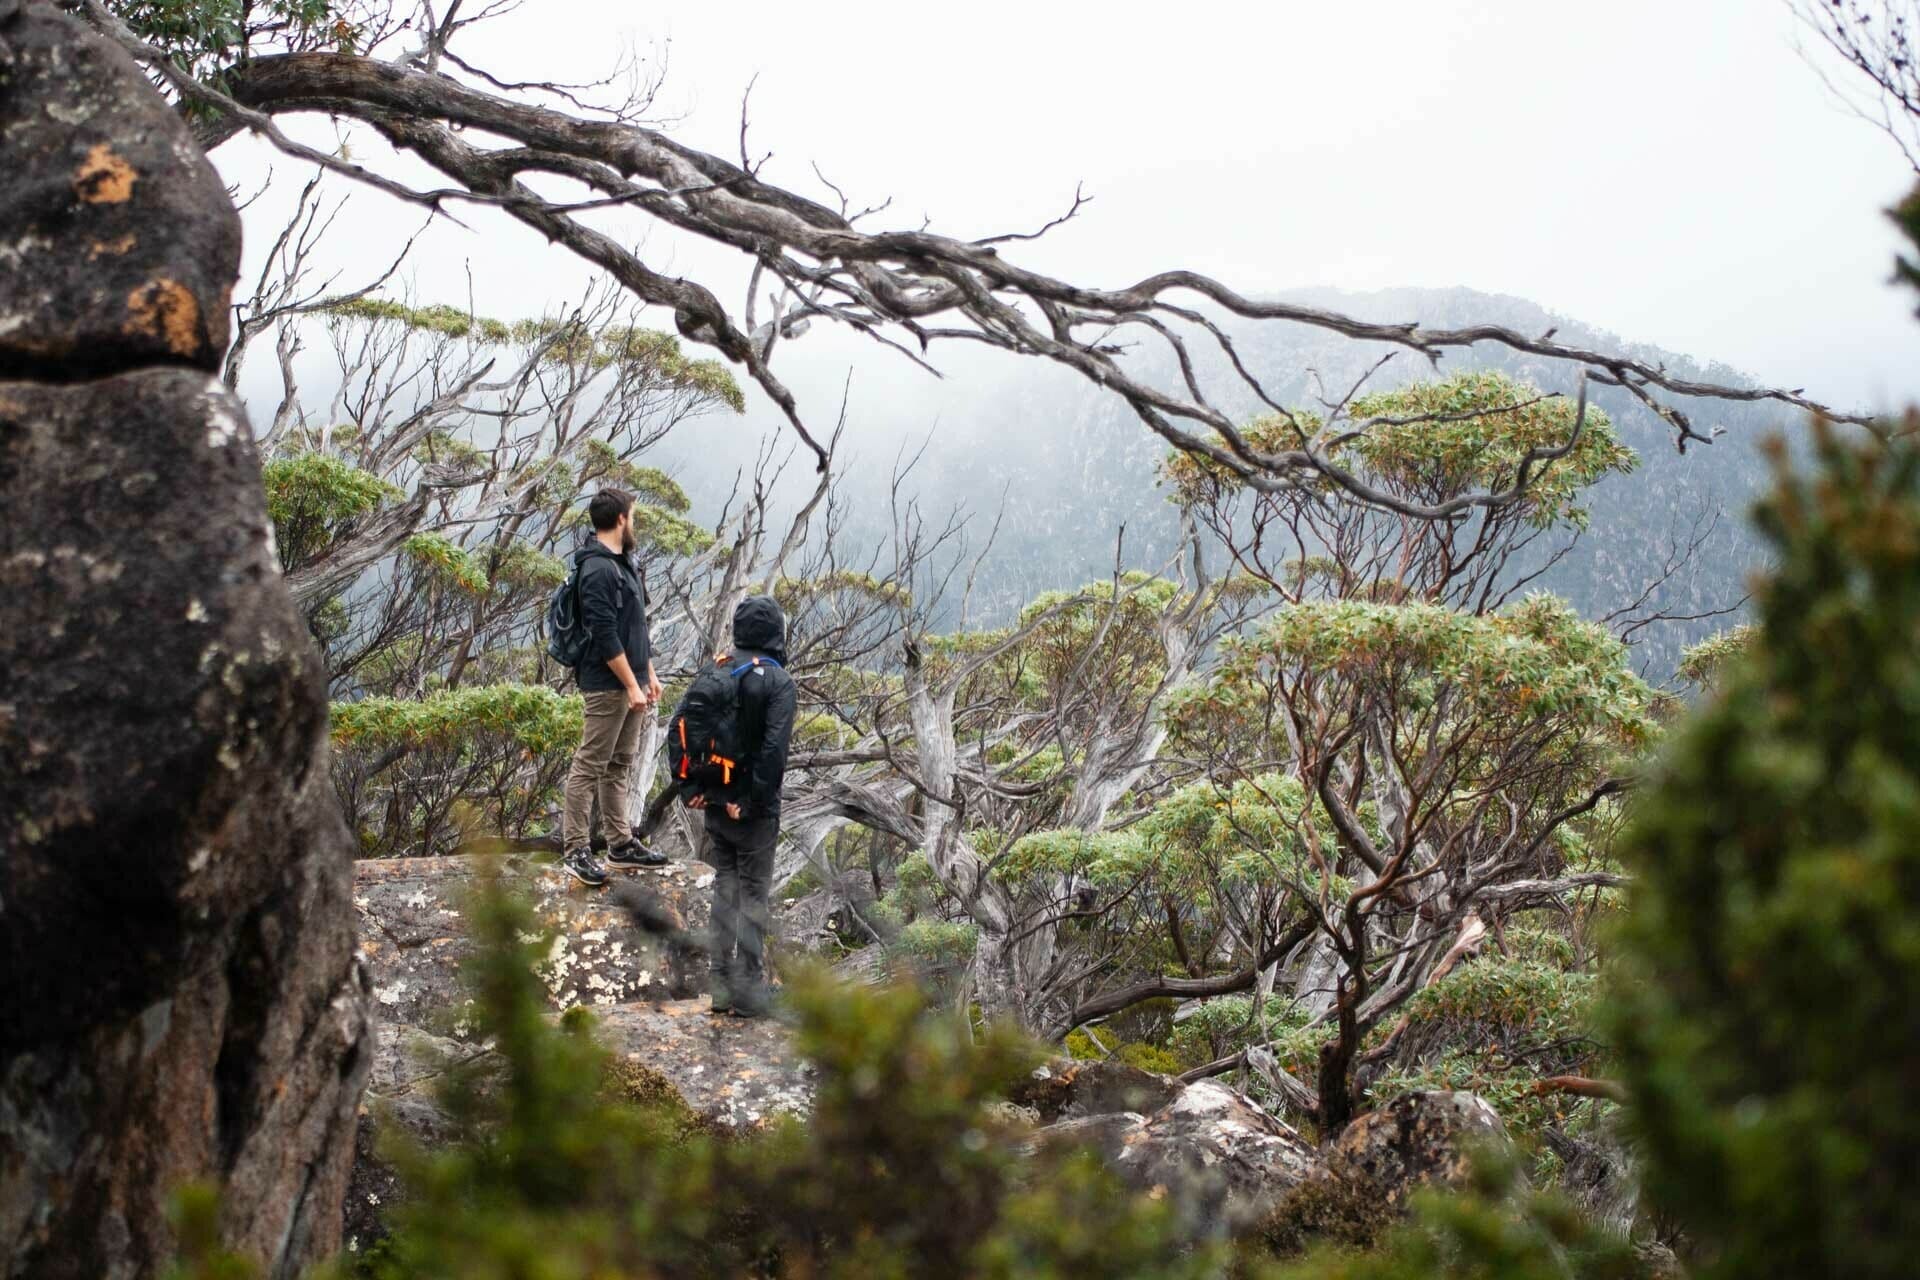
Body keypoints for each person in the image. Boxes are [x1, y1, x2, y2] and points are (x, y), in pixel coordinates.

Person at [689, 595, 797, 1017]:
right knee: (754, 896)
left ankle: (719, 985)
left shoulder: (717, 670)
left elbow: (685, 729)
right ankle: (749, 991)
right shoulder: (777, 682)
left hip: (716, 806)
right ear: (776, 634)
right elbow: (773, 752)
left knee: (725, 890)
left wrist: (693, 791)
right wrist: (750, 803)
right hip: (752, 812)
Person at [562, 488, 667, 886]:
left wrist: (649, 676)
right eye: (633, 515)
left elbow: (636, 628)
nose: (634, 522)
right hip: (607, 685)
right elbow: (605, 635)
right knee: (590, 764)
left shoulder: (624, 563)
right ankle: (575, 849)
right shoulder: (597, 569)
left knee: (621, 763)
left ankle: (619, 843)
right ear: (621, 518)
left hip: (631, 682)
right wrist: (630, 684)